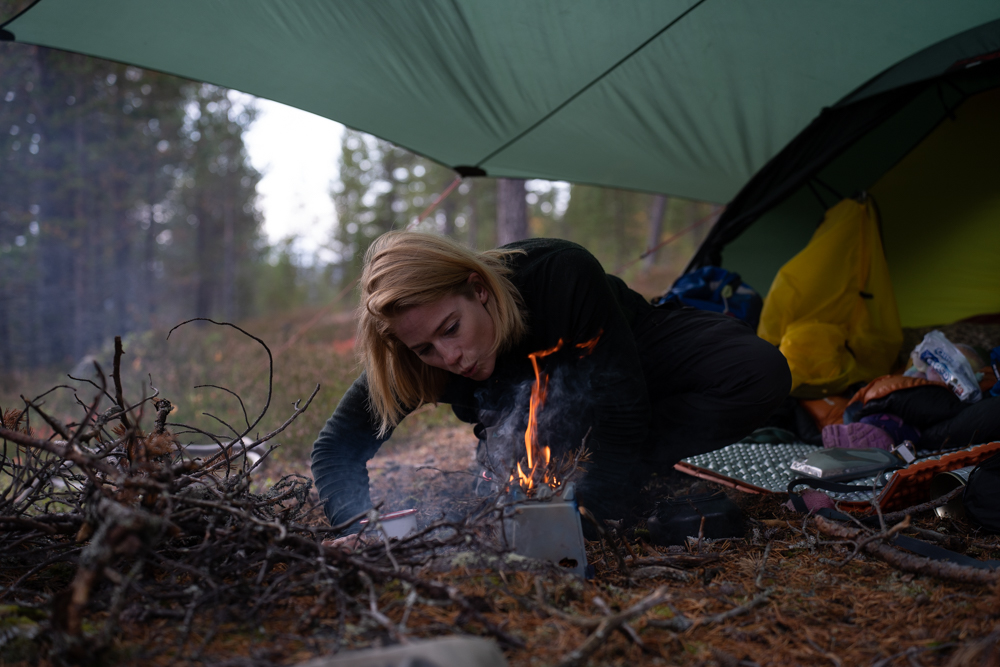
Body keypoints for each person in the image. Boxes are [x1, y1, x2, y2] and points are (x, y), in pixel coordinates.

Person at [311, 232, 790, 536]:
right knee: (530, 458)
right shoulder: (417, 356)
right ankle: (615, 477)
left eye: (451, 328)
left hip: (634, 353)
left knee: (757, 371)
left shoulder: (557, 273)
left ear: (479, 289)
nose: (448, 357)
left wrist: (590, 513)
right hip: (549, 424)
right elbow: (336, 447)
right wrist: (357, 526)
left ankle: (632, 475)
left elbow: (622, 408)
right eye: (425, 349)